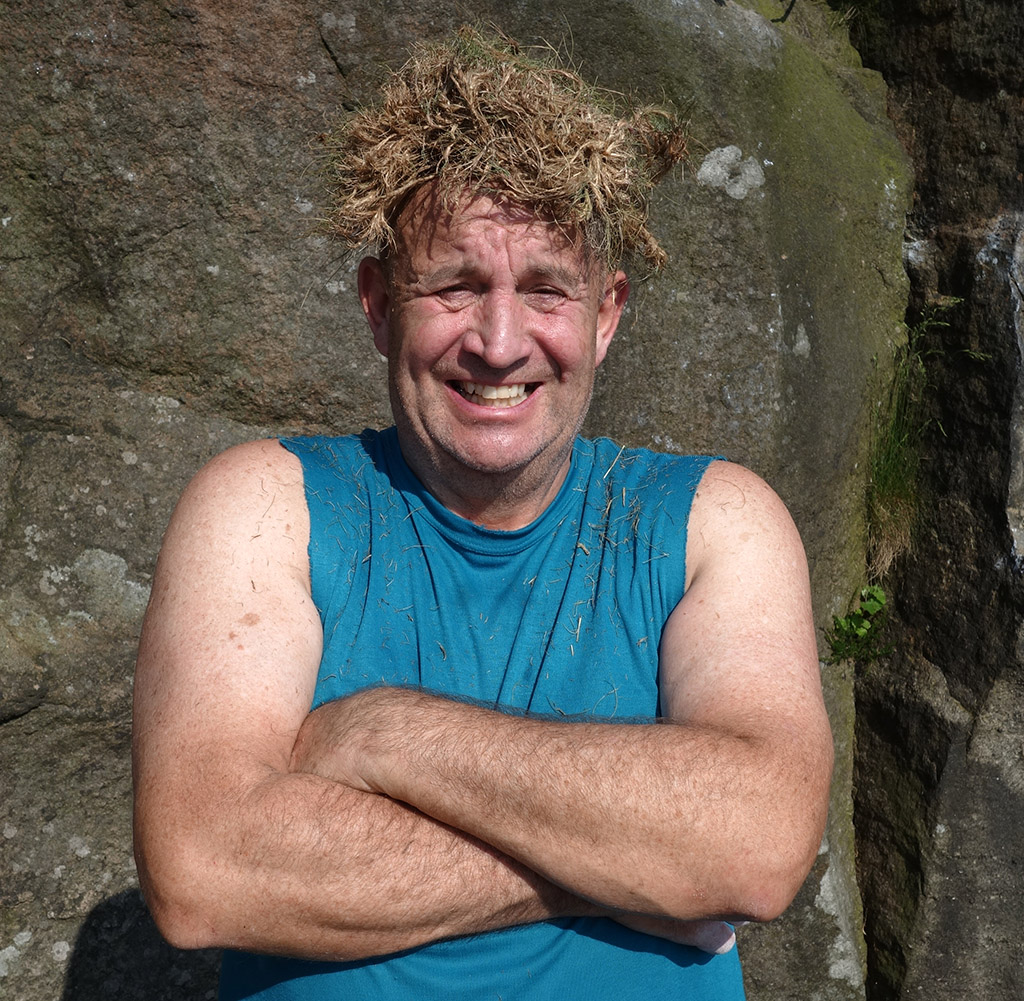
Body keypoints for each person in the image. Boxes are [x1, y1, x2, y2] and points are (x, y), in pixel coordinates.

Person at [132, 28, 833, 1001]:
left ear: (607, 312)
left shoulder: (715, 522)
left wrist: (383, 735)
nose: (499, 343)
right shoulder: (265, 506)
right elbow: (204, 872)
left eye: (546, 288)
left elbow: (754, 844)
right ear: (379, 304)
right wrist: (635, 867)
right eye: (455, 284)